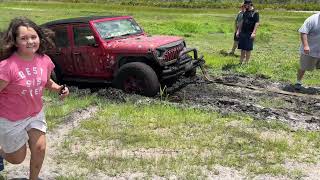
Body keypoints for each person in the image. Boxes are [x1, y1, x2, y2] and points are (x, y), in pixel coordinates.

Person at [0, 17, 69, 180]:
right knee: (17, 159)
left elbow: (46, 82)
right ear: (15, 42)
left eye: (33, 37)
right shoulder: (7, 67)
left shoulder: (44, 60)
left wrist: (59, 88)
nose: (30, 41)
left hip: (35, 114)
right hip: (10, 118)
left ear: (39, 38)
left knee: (40, 147)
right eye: (23, 38)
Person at [295, 13, 320, 90]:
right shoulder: (313, 19)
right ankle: (298, 82)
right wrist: (306, 45)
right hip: (310, 49)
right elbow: (303, 32)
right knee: (303, 67)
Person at [236, 0, 260, 64]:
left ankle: (246, 63)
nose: (245, 6)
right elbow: (242, 21)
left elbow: (257, 23)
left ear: (249, 4)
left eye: (245, 5)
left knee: (248, 49)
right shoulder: (245, 11)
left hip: (250, 33)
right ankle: (240, 62)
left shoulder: (255, 12)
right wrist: (238, 31)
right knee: (242, 48)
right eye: (244, 5)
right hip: (243, 32)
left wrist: (254, 32)